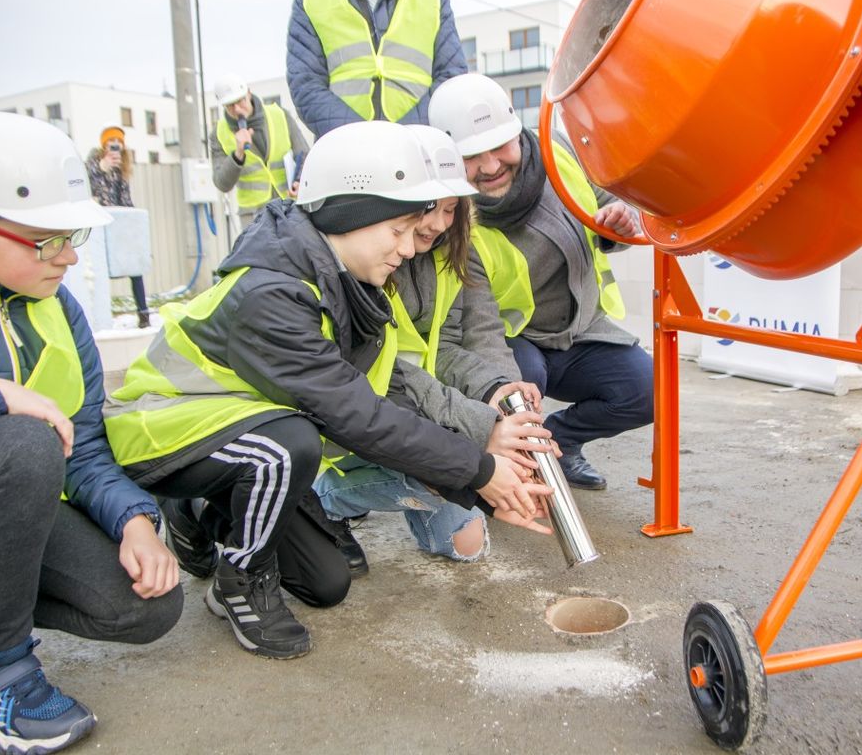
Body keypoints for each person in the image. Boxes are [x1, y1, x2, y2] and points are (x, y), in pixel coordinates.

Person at [104, 120, 551, 660]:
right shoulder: (272, 295)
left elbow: (387, 385)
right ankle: (237, 580)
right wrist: (479, 471)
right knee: (294, 440)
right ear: (352, 213)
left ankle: (201, 512)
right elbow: (356, 414)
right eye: (400, 230)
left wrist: (473, 460)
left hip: (247, 432)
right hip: (168, 426)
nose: (411, 250)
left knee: (328, 582)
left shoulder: (347, 282)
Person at [0, 112, 183, 755]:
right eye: (45, 240)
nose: (66, 256)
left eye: (71, 237)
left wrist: (135, 522)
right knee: (22, 437)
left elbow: (83, 443)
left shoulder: (55, 305)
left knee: (148, 606)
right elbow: (26, 433)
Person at [314, 125, 549, 574]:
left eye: (451, 208)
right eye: (430, 208)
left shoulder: (447, 252)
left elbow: (446, 348)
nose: (440, 222)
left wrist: (495, 391)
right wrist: (479, 435)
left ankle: (415, 485)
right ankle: (326, 498)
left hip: (423, 407)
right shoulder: (371, 261)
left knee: (466, 544)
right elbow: (392, 373)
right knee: (463, 473)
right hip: (371, 412)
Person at [429, 73, 653, 491]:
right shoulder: (457, 223)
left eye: (499, 146)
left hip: (580, 331)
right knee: (517, 389)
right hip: (518, 342)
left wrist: (618, 225)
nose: (491, 166)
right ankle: (509, 460)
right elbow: (481, 328)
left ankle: (562, 444)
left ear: (517, 131)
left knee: (647, 390)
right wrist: (503, 390)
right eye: (471, 157)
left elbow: (613, 208)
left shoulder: (561, 152)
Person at [286, 0, 468, 139]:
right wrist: (365, 139)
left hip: (422, 151)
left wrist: (407, 136)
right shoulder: (310, 0)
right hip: (345, 158)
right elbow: (305, 87)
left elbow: (451, 79)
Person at [210, 72, 311, 230]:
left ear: (248, 93)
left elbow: (304, 153)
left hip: (289, 206)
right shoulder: (219, 134)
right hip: (253, 217)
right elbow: (222, 183)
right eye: (230, 105)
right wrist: (238, 155)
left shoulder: (279, 115)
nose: (237, 109)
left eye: (239, 101)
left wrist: (299, 180)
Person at [86, 125, 152, 328]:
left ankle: (143, 313)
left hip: (118, 223)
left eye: (118, 145)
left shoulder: (122, 169)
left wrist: (132, 226)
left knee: (135, 268)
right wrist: (102, 169)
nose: (115, 149)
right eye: (111, 144)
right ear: (103, 145)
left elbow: (125, 198)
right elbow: (89, 191)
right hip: (99, 224)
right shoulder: (93, 165)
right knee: (100, 269)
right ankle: (100, 313)